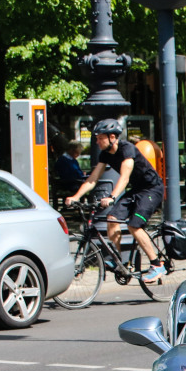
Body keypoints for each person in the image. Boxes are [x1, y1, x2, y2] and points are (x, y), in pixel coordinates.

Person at [64, 119, 168, 283]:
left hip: (152, 190)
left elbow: (125, 177)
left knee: (134, 225)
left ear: (112, 137)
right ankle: (123, 263)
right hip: (136, 190)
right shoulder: (105, 154)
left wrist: (112, 197)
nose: (97, 141)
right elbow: (93, 179)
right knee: (111, 219)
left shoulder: (127, 149)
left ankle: (157, 265)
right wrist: (76, 197)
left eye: (100, 138)